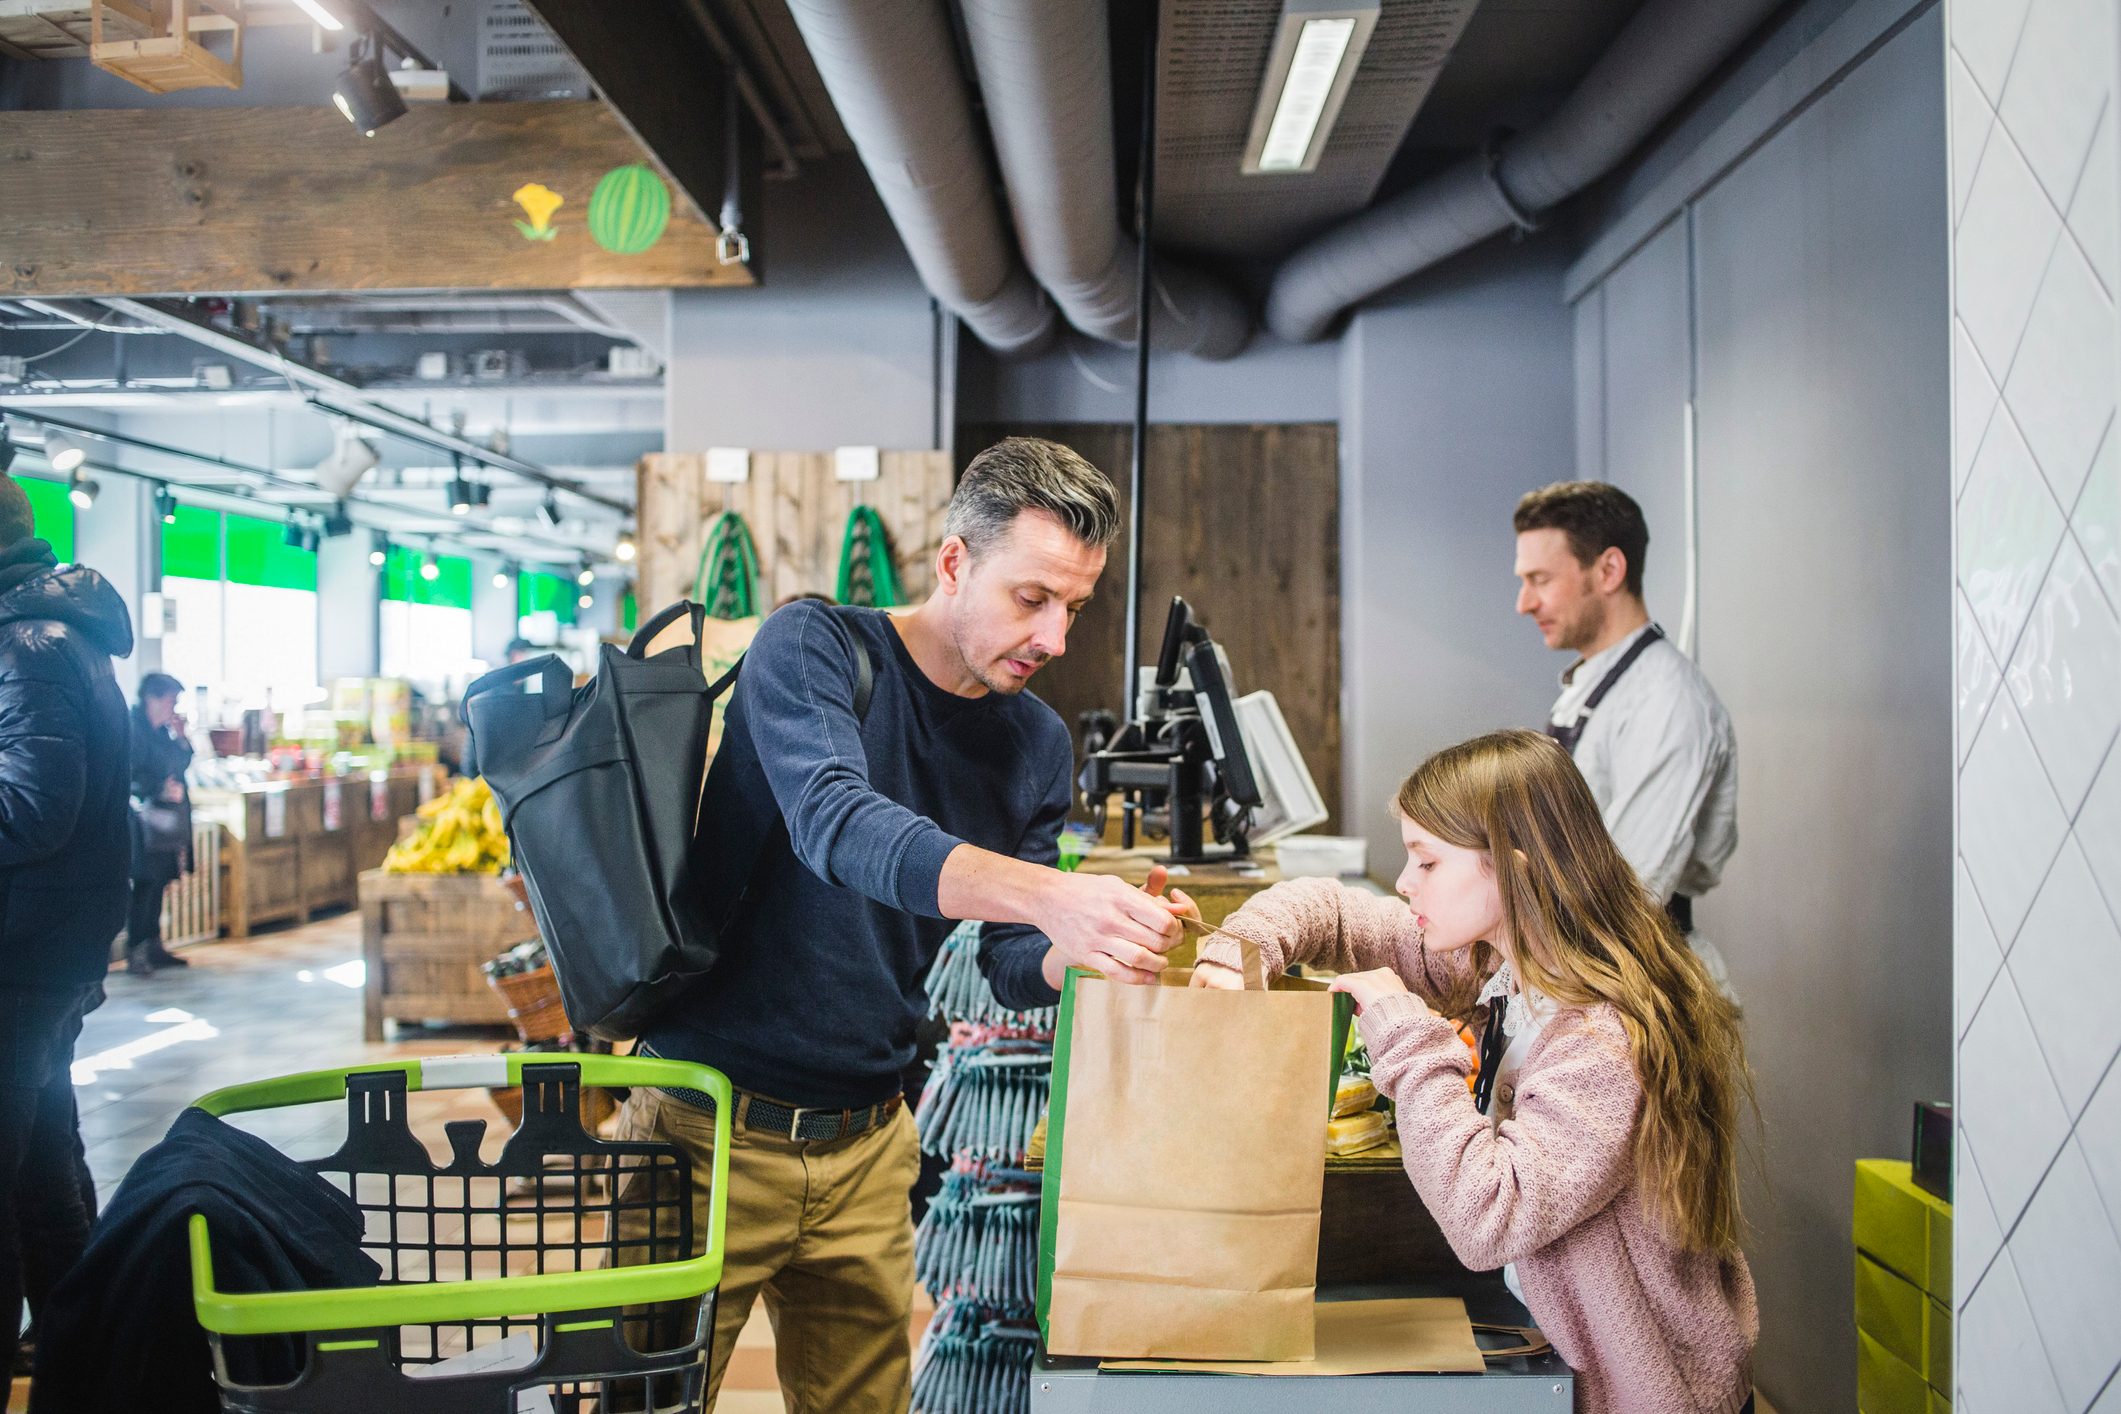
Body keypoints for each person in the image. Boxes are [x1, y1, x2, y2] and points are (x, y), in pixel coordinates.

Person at [614, 437, 1186, 1412]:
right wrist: (1051, 895)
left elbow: (1010, 961)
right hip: (709, 1127)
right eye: (1031, 598)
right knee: (645, 1402)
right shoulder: (815, 649)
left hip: (872, 1147)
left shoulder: (1034, 744)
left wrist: (1092, 950)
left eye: (1075, 608)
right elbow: (838, 823)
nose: (1054, 638)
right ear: (955, 561)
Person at [1194, 730, 1757, 1414]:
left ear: (1511, 870)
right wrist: (1234, 952)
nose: (1404, 884)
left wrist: (1407, 1037)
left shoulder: (1604, 1039)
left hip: (1638, 1390)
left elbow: (1487, 1217)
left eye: (1426, 863)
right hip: (1559, 1349)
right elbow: (1335, 911)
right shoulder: (1504, 966)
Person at [0, 477, 133, 1372]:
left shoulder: (29, 646)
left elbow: (35, 806)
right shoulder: (55, 633)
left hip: (24, 950)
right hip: (50, 945)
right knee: (42, 1160)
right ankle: (86, 1348)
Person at [1513, 481, 1737, 989]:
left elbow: (1633, 889)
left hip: (1642, 983)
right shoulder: (1594, 685)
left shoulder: (1665, 700)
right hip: (1589, 969)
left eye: (1541, 579)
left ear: (1609, 570)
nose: (1524, 602)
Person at [126, 672, 194, 975]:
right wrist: (156, 788)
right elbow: (128, 774)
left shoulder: (162, 732)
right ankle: (136, 949)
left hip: (166, 822)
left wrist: (181, 737)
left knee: (159, 883)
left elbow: (179, 764)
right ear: (152, 698)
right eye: (171, 700)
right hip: (141, 821)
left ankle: (154, 944)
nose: (173, 707)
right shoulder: (132, 728)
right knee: (144, 884)